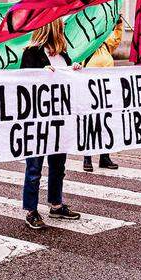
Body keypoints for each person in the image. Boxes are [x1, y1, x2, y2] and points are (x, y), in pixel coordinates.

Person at [19, 19, 84, 229]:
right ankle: (31, 209)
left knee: (58, 164)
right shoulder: (32, 52)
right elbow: (22, 83)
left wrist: (75, 69)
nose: (64, 29)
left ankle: (56, 204)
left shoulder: (63, 54)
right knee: (35, 166)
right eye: (61, 26)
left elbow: (68, 81)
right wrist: (39, 75)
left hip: (59, 119)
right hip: (38, 120)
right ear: (51, 28)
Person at [82, 19, 124, 172]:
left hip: (106, 91)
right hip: (89, 92)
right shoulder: (84, 48)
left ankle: (104, 156)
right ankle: (87, 157)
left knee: (106, 125)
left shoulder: (106, 44)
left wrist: (118, 24)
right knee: (91, 124)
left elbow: (117, 37)